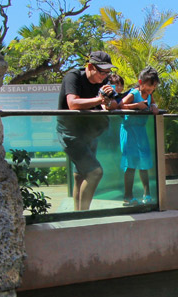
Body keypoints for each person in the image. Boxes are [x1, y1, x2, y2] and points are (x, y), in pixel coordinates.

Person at [57, 51, 119, 211]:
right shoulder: (74, 77)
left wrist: (110, 100)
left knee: (81, 175)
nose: (105, 76)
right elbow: (73, 103)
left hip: (90, 132)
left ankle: (78, 215)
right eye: (102, 71)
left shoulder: (102, 82)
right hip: (71, 134)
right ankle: (85, 214)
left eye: (108, 72)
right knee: (95, 173)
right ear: (90, 67)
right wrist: (99, 99)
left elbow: (108, 106)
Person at [119, 67, 160, 206]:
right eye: (149, 85)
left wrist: (154, 106)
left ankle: (147, 193)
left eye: (154, 86)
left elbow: (152, 102)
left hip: (141, 131)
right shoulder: (134, 93)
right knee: (131, 164)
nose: (151, 89)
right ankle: (128, 196)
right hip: (130, 130)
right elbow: (120, 105)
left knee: (144, 162)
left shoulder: (149, 94)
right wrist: (136, 106)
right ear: (141, 82)